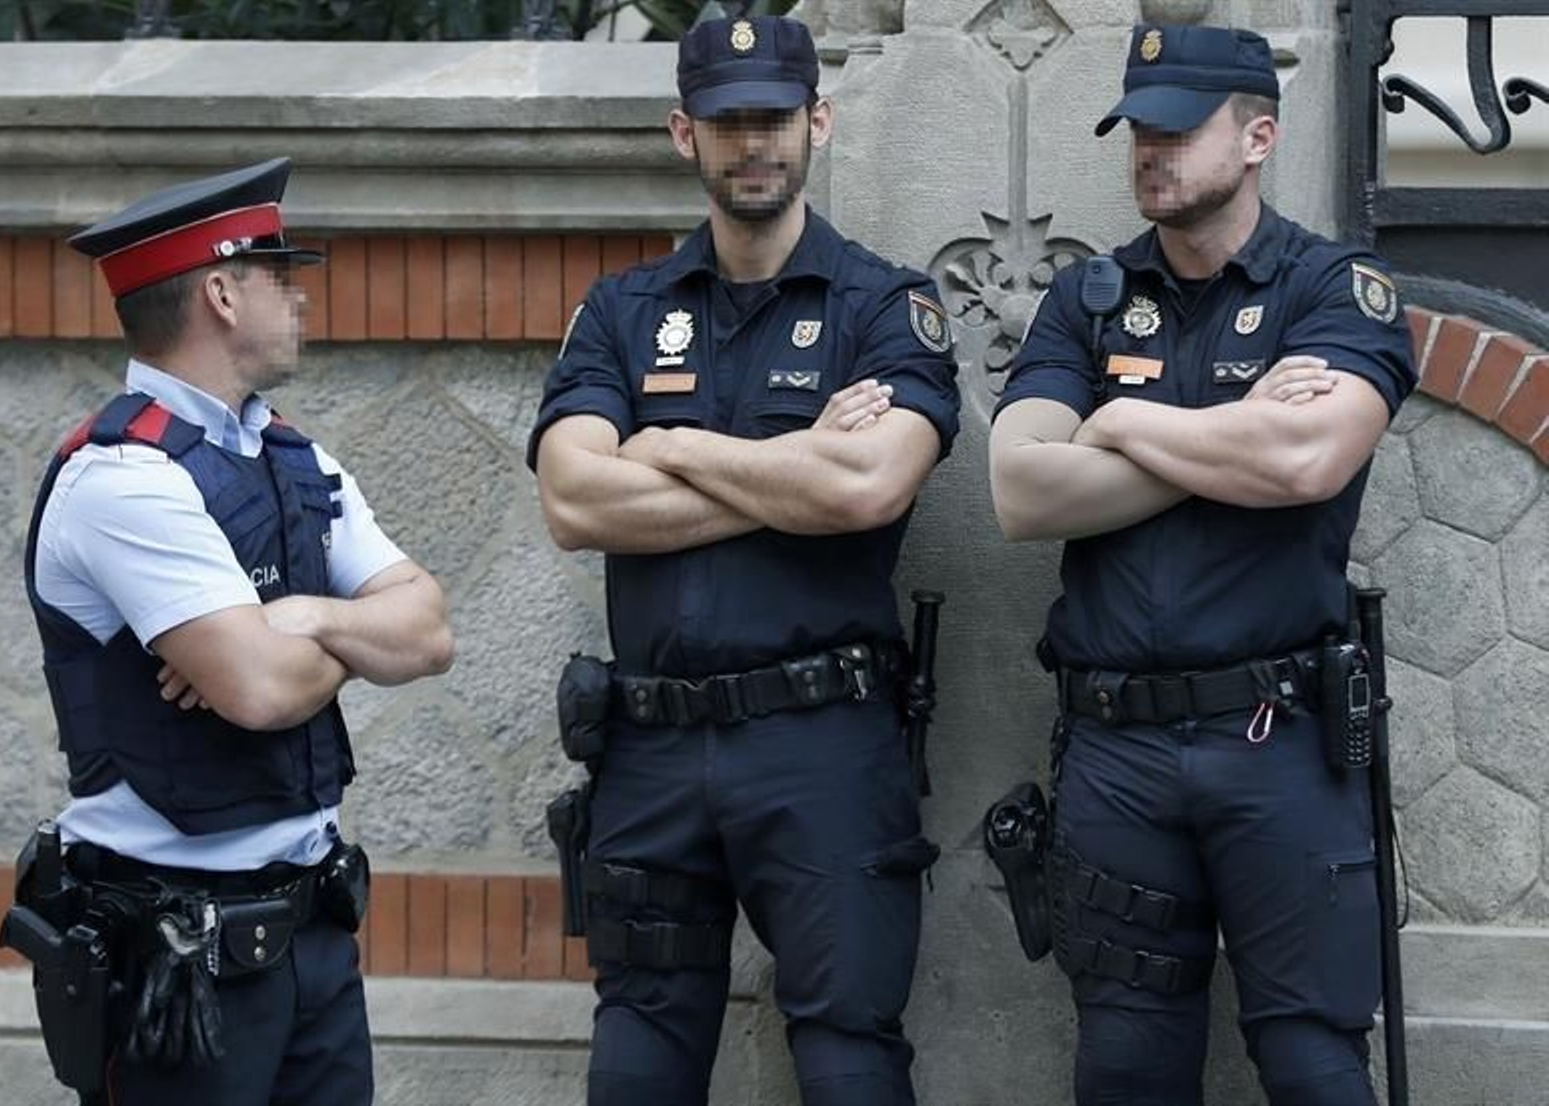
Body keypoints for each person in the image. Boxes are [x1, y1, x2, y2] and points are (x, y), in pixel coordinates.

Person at [529, 15, 960, 1106]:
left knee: (849, 1057)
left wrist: (674, 446)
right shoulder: (623, 312)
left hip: (820, 745)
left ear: (816, 120)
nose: (752, 143)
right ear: (686, 133)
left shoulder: (882, 305)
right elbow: (575, 497)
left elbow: (866, 487)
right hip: (651, 754)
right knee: (634, 1064)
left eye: (773, 116)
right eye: (727, 122)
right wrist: (790, 465)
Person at [988, 24, 1416, 1106]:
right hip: (1115, 748)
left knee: (1315, 1063)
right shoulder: (1085, 300)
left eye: (1177, 129)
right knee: (1126, 1065)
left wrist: (1117, 421)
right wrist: (1217, 424)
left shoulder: (1333, 289)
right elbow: (1021, 489)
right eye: (1138, 128)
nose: (1150, 151)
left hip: (1277, 739)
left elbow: (1307, 456)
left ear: (1258, 135)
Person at [20, 158, 454, 1106]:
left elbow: (428, 631)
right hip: (179, 961)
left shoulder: (291, 455)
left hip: (313, 934)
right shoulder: (122, 480)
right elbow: (256, 692)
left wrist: (304, 618)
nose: (299, 296)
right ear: (221, 291)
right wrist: (339, 640)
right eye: (279, 275)